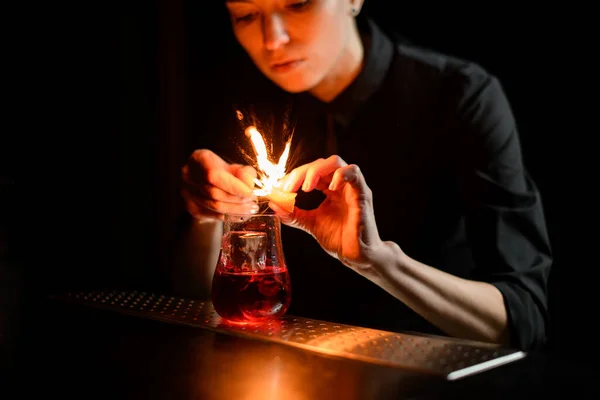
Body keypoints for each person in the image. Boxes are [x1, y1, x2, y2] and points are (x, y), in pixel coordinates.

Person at [178, 0, 552, 351]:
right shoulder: (243, 102)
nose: (272, 40)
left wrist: (379, 262)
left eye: (298, 4)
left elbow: (522, 321)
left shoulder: (460, 97)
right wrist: (208, 216)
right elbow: (191, 305)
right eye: (245, 15)